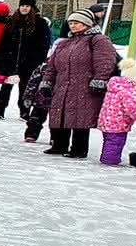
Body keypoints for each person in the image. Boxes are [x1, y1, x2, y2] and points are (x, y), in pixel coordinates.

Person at [42, 9, 118, 159]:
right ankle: (59, 144)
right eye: (71, 23)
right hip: (63, 84)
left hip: (85, 85)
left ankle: (79, 148)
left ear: (87, 24)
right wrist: (47, 81)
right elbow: (52, 65)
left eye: (76, 23)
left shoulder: (98, 40)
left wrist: (100, 79)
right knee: (60, 113)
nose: (73, 26)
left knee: (81, 117)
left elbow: (105, 61)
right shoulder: (65, 42)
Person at [0, 0, 51, 120]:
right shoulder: (12, 21)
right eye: (22, 5)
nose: (24, 8)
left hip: (28, 63)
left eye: (27, 6)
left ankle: (24, 111)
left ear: (32, 8)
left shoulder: (40, 23)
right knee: (6, 86)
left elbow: (44, 45)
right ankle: (0, 110)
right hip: (10, 61)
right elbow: (3, 42)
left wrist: (37, 61)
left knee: (25, 89)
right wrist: (0, 59)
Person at [97, 67, 136, 166]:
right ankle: (109, 162)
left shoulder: (115, 87)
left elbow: (119, 101)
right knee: (115, 144)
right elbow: (132, 110)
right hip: (119, 123)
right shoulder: (129, 92)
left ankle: (107, 158)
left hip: (106, 120)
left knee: (109, 142)